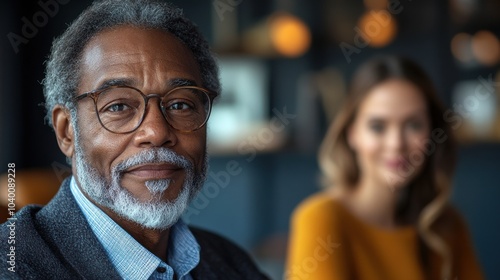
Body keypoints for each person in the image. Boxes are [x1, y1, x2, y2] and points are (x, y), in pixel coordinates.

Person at [0, 1, 269, 279]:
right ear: (67, 131)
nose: (156, 132)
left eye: (180, 105)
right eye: (118, 107)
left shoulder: (233, 265)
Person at [285, 56, 483, 280]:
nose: (396, 143)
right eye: (378, 126)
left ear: (432, 134)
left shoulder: (446, 225)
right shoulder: (321, 218)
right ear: (352, 134)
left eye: (413, 125)